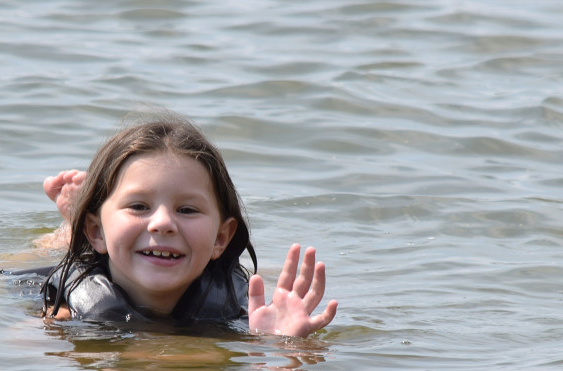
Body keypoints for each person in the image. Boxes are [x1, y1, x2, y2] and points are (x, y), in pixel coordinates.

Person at [31, 113, 337, 338]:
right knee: (44, 257)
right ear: (96, 231)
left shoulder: (242, 309)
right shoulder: (64, 316)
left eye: (187, 210)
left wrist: (281, 344)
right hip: (75, 265)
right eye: (139, 206)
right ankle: (71, 230)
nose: (163, 223)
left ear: (221, 238)